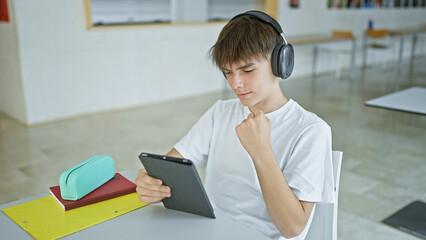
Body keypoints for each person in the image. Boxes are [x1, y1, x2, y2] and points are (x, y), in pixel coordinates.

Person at [135, 10, 334, 240]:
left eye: (247, 70)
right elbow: (170, 166)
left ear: (281, 63)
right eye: (228, 72)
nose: (236, 83)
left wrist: (261, 153)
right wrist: (152, 183)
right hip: (209, 232)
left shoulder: (311, 130)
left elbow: (292, 228)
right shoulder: (221, 112)